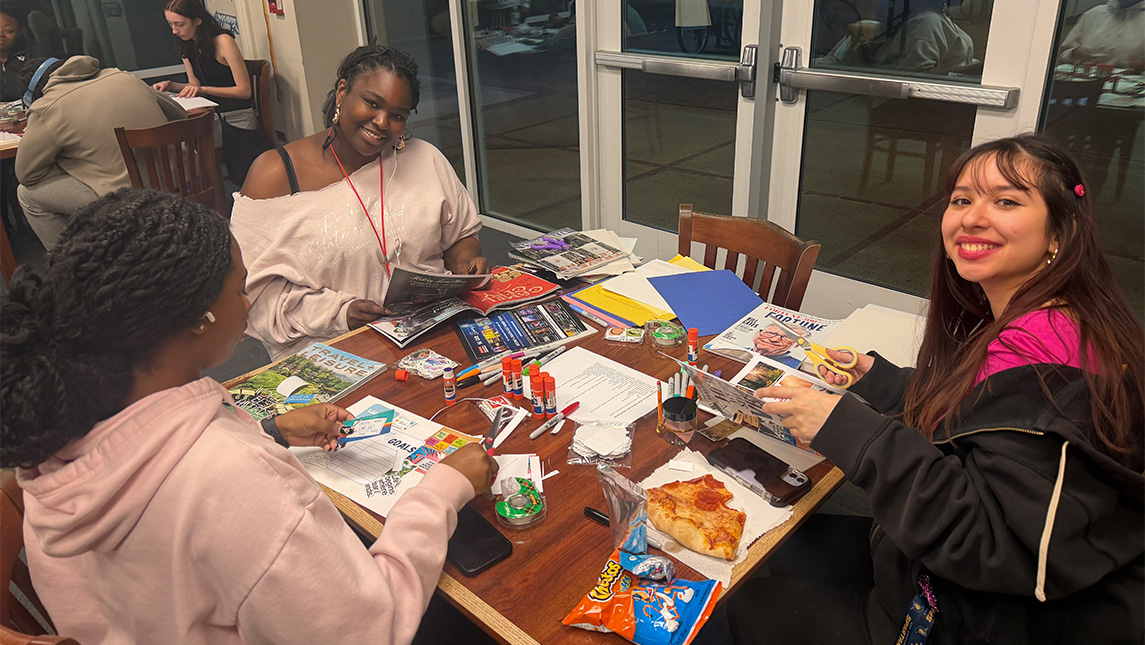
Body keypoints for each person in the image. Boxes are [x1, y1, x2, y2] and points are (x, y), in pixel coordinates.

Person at [1, 188, 498, 644]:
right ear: (199, 318)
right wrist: (441, 490)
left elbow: (154, 471)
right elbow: (370, 629)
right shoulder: (234, 481)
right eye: (240, 289)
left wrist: (270, 429)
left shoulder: (57, 431)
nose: (248, 302)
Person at [727, 134, 1144, 644]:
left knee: (750, 598)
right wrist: (876, 379)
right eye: (962, 199)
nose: (971, 217)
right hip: (944, 573)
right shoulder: (1036, 316)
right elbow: (977, 419)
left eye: (1007, 201)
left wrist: (849, 430)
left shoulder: (1049, 356)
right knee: (782, 541)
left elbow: (990, 543)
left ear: (1060, 231)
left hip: (977, 615)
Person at [233, 45, 488, 361]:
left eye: (397, 116)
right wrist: (340, 312)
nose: (382, 123)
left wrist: (466, 261)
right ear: (342, 92)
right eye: (372, 103)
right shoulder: (274, 174)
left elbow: (460, 235)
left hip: (430, 332)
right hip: (333, 350)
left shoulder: (424, 158)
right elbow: (253, 297)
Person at [14, 56, 186, 249]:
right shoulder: (123, 76)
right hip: (181, 177)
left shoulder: (46, 108)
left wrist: (71, 166)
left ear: (33, 95)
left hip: (127, 197)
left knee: (26, 194)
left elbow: (26, 175)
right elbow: (180, 115)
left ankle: (71, 268)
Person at [153, 0, 254, 129]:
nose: (174, 31)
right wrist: (171, 85)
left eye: (180, 24)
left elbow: (244, 91)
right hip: (211, 114)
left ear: (197, 21)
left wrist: (204, 89)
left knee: (186, 140)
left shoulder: (223, 42)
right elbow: (194, 85)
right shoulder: (186, 43)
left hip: (236, 116)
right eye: (170, 24)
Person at [1058, 0, 1145, 70]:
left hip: (1130, 86)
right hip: (1084, 82)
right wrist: (1074, 54)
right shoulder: (1094, 13)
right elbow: (1061, 55)